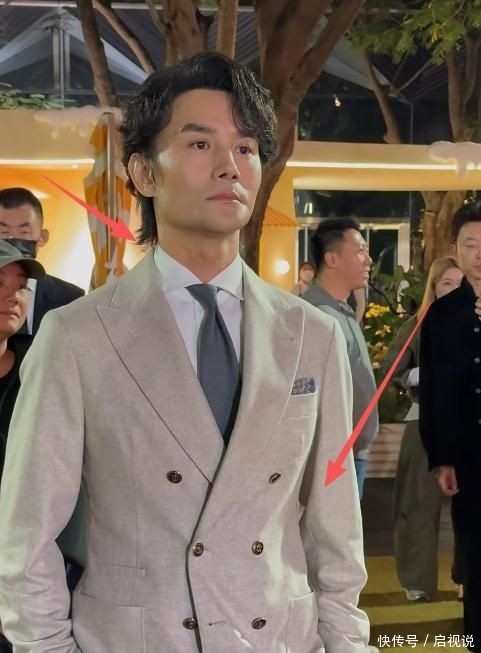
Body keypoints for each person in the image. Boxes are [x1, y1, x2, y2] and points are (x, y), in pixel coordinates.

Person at [0, 53, 369, 653]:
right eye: (200, 144)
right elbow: (25, 533)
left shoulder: (312, 334)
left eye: (246, 147)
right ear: (144, 172)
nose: (230, 165)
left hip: (277, 636)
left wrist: (346, 641)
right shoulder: (77, 336)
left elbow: (336, 524)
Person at [382, 256, 463, 602]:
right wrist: (418, 376)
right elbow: (391, 368)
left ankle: (466, 578)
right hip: (424, 423)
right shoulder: (417, 325)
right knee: (418, 505)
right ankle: (417, 582)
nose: (454, 290)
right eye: (447, 283)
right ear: (434, 287)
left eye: (461, 284)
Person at [419, 200, 481, 652]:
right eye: (470, 244)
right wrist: (441, 457)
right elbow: (435, 390)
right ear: (456, 249)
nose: (479, 254)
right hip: (468, 454)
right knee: (474, 551)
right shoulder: (443, 314)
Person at [303, 217, 378, 499]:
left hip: (350, 456)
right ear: (332, 259)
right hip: (331, 457)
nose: (368, 260)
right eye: (360, 251)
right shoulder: (316, 316)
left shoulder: (343, 312)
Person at [0, 240, 45, 653]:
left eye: (21, 287)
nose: (13, 296)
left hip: (26, 572)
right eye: (0, 283)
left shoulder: (40, 369)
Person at [0, 188, 84, 336]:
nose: (12, 240)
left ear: (42, 238)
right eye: (3, 232)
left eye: (23, 232)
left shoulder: (71, 299)